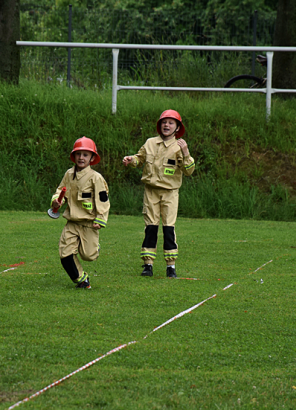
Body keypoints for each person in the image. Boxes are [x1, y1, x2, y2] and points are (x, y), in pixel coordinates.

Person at [122, 110, 195, 279]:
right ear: (159, 125)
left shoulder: (180, 146)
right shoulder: (150, 143)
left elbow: (189, 171)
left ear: (177, 127)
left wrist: (186, 153)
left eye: (171, 122)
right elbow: (139, 158)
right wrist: (130, 160)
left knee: (169, 228)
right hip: (151, 191)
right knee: (151, 227)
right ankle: (148, 265)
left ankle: (171, 266)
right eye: (164, 122)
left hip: (170, 193)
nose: (166, 125)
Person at [51, 137, 110, 289]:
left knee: (88, 255)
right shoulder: (68, 174)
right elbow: (60, 191)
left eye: (85, 154)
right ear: (74, 156)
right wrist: (56, 201)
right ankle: (82, 280)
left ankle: (94, 247)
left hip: (89, 223)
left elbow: (103, 199)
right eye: (78, 154)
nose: (81, 158)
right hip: (72, 223)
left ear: (92, 158)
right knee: (65, 254)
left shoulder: (95, 178)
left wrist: (101, 219)